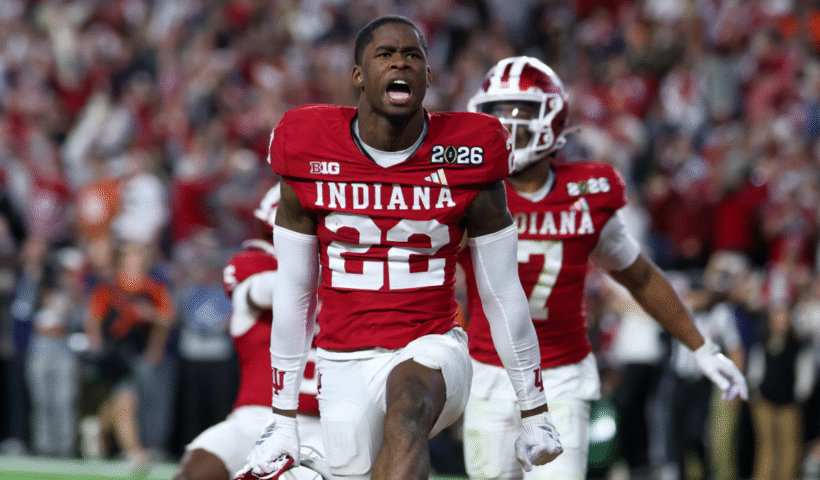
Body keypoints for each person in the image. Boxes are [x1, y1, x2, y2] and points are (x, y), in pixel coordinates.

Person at [240, 15, 562, 480]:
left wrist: (534, 409)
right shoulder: (308, 146)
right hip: (342, 357)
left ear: (429, 76)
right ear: (358, 75)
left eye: (413, 55)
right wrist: (282, 417)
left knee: (408, 404)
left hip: (433, 343)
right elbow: (295, 290)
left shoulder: (470, 151)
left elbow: (501, 290)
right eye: (386, 54)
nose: (401, 63)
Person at [459, 56, 749, 480]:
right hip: (487, 373)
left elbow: (642, 277)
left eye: (517, 112)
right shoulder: (470, 193)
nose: (504, 126)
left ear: (551, 116)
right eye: (495, 114)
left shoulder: (586, 194)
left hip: (560, 377)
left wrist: (701, 346)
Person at [175, 184, 324, 480]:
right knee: (197, 471)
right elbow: (267, 290)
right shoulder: (255, 264)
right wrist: (320, 276)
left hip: (321, 425)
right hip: (255, 417)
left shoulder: (348, 277)